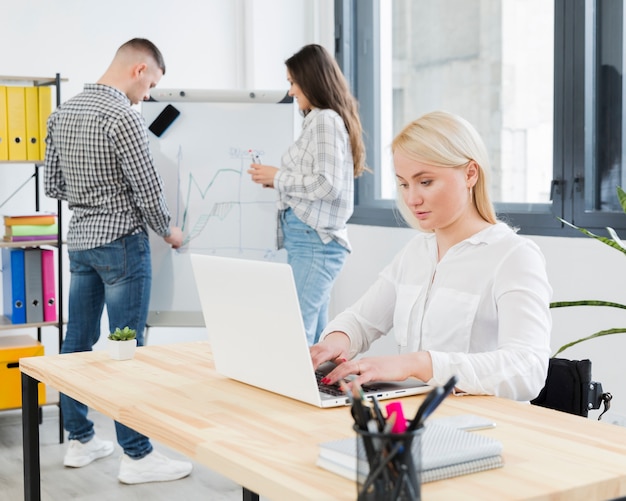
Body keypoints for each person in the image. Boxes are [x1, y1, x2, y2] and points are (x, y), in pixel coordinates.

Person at [311, 111, 552, 401]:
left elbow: (528, 368)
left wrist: (418, 363)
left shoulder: (513, 256)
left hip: (479, 424)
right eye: (404, 184)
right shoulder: (416, 252)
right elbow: (362, 321)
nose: (412, 199)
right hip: (415, 420)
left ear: (470, 173)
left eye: (425, 182)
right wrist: (338, 340)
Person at [44, 38, 191, 484]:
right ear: (139, 68)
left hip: (81, 244)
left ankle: (80, 440)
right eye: (151, 84)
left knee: (77, 345)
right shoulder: (123, 115)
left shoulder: (61, 112)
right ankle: (138, 455)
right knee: (127, 352)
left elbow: (53, 185)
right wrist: (169, 230)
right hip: (123, 244)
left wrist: (91, 200)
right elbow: (147, 187)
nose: (148, 95)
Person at [247, 44, 366, 346]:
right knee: (312, 335)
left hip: (315, 240)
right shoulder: (318, 120)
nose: (290, 92)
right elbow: (319, 181)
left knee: (295, 331)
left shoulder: (325, 120)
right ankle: (312, 391)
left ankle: (291, 391)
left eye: (292, 82)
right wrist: (278, 182)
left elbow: (327, 185)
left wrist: (279, 177)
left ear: (311, 80)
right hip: (310, 239)